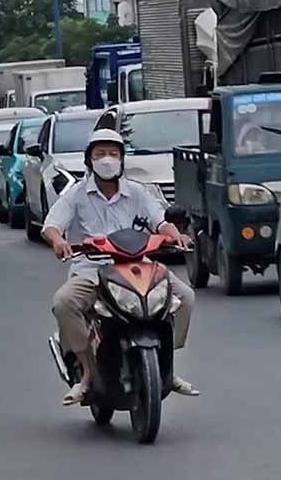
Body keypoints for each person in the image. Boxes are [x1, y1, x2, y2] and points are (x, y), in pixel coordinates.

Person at [42, 129, 199, 406]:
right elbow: (52, 226)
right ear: (89, 160)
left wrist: (176, 235)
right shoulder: (76, 195)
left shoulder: (137, 192)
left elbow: (160, 222)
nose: (107, 160)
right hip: (92, 269)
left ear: (122, 159)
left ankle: (167, 367)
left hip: (139, 266)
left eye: (113, 154)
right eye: (100, 154)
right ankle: (87, 372)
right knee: (63, 302)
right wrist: (58, 241)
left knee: (185, 296)